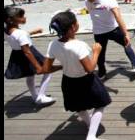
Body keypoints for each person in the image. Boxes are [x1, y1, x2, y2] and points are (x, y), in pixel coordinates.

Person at [43, 11, 111, 140]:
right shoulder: (79, 46)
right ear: (73, 27)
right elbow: (90, 69)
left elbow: (46, 68)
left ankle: (90, 125)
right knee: (101, 103)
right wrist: (96, 52)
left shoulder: (53, 44)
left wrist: (63, 66)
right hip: (86, 81)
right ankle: (91, 135)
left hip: (68, 81)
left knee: (78, 106)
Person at [86, 0, 135, 78]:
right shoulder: (110, 1)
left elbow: (98, 1)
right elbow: (118, 17)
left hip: (98, 31)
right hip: (113, 29)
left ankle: (102, 72)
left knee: (100, 53)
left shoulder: (88, 0)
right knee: (126, 43)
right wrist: (126, 33)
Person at [4, 7, 55, 105]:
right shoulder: (20, 33)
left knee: (30, 76)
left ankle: (34, 95)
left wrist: (32, 32)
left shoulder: (7, 30)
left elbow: (17, 37)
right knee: (48, 70)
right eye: (21, 16)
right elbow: (27, 51)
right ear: (10, 20)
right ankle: (41, 95)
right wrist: (38, 66)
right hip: (30, 54)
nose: (24, 18)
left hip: (17, 55)